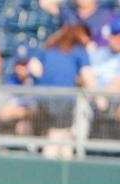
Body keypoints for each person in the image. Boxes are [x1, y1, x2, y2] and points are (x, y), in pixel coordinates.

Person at [33, 23, 96, 158]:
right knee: (56, 134)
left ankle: (65, 168)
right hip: (64, 99)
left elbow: (33, 68)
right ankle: (49, 169)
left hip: (43, 97)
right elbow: (89, 79)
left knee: (65, 135)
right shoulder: (78, 51)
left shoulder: (48, 48)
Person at [0, 45, 39, 137]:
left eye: (24, 64)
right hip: (9, 123)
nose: (21, 67)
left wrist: (22, 112)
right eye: (18, 63)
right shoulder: (9, 81)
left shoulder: (38, 81)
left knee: (23, 127)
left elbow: (38, 110)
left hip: (34, 124)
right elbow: (0, 112)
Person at [41, 0, 115, 47]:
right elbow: (45, 3)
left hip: (98, 58)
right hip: (71, 55)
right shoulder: (68, 12)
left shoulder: (105, 14)